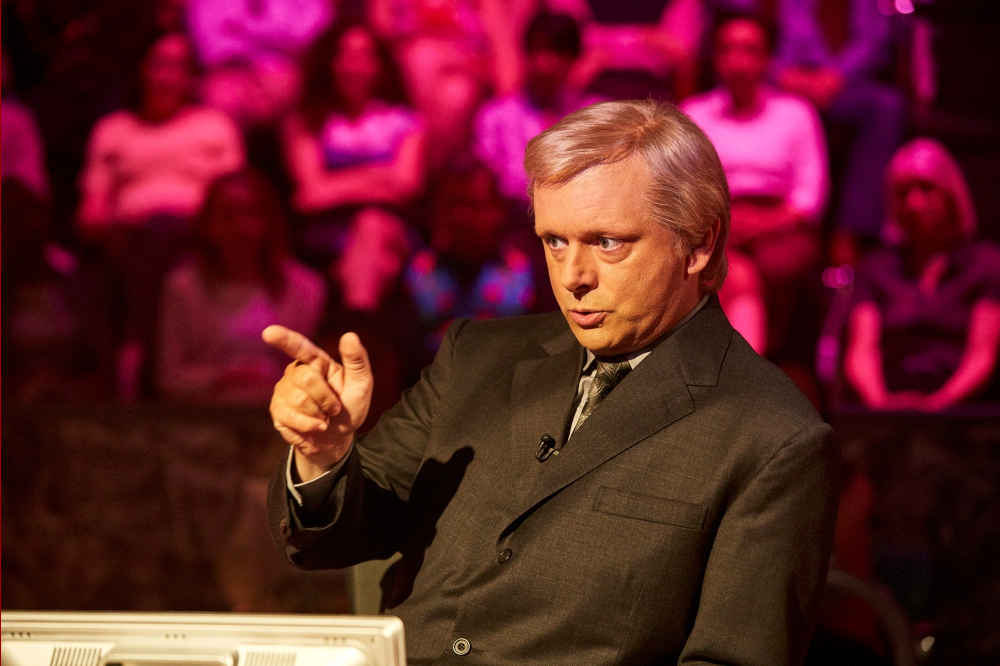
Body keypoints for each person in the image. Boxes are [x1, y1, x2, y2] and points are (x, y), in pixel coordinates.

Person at [264, 99, 838, 664]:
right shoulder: (475, 357)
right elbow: (335, 536)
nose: (573, 277)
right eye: (554, 241)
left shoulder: (772, 437)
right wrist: (324, 454)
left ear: (699, 243)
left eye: (607, 243)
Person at [682, 11, 827, 357]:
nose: (738, 61)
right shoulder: (694, 114)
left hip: (780, 226)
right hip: (714, 223)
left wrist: (763, 224)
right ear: (715, 58)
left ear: (767, 58)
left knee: (762, 266)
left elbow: (811, 196)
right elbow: (681, 187)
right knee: (735, 270)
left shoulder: (796, 114)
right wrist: (724, 224)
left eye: (750, 50)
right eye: (728, 49)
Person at [843, 138, 1000, 412]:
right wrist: (880, 405)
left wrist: (936, 407)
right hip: (887, 410)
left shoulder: (985, 265)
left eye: (926, 189)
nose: (914, 203)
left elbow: (982, 355)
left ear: (951, 194)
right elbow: (861, 351)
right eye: (903, 193)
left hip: (963, 415)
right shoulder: (875, 268)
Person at [282, 19, 425, 311]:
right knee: (372, 254)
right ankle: (363, 318)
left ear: (379, 65)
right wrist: (377, 176)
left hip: (391, 230)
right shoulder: (306, 122)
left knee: (371, 226)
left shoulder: (405, 122)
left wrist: (335, 185)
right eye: (345, 56)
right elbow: (310, 195)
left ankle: (356, 316)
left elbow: (406, 186)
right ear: (329, 63)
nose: (354, 66)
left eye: (364, 56)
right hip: (327, 234)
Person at [156, 170, 326, 405]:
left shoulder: (305, 288)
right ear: (208, 224)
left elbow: (316, 372)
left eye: (250, 214)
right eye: (228, 216)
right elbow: (169, 377)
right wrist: (223, 378)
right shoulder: (182, 288)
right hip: (203, 412)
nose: (240, 227)